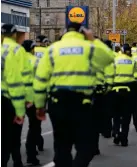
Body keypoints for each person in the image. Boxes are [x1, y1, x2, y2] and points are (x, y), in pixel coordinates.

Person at [33, 22, 114, 167]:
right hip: (81, 104)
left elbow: (40, 80)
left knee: (62, 146)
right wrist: (93, 40)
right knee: (86, 148)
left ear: (64, 32)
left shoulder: (52, 49)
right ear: (83, 32)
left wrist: (39, 105)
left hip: (57, 103)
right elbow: (108, 58)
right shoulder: (89, 48)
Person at [2, 23, 27, 167]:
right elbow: (19, 80)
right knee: (14, 134)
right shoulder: (17, 50)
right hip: (10, 99)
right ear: (13, 34)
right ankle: (16, 161)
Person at [107, 44, 137, 146]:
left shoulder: (116, 59)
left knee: (116, 115)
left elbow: (110, 73)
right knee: (126, 116)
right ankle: (124, 138)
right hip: (129, 90)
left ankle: (116, 132)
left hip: (116, 89)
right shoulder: (132, 61)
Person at [22, 40, 43, 165]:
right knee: (34, 126)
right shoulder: (36, 61)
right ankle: (31, 155)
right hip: (32, 98)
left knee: (13, 129)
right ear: (32, 49)